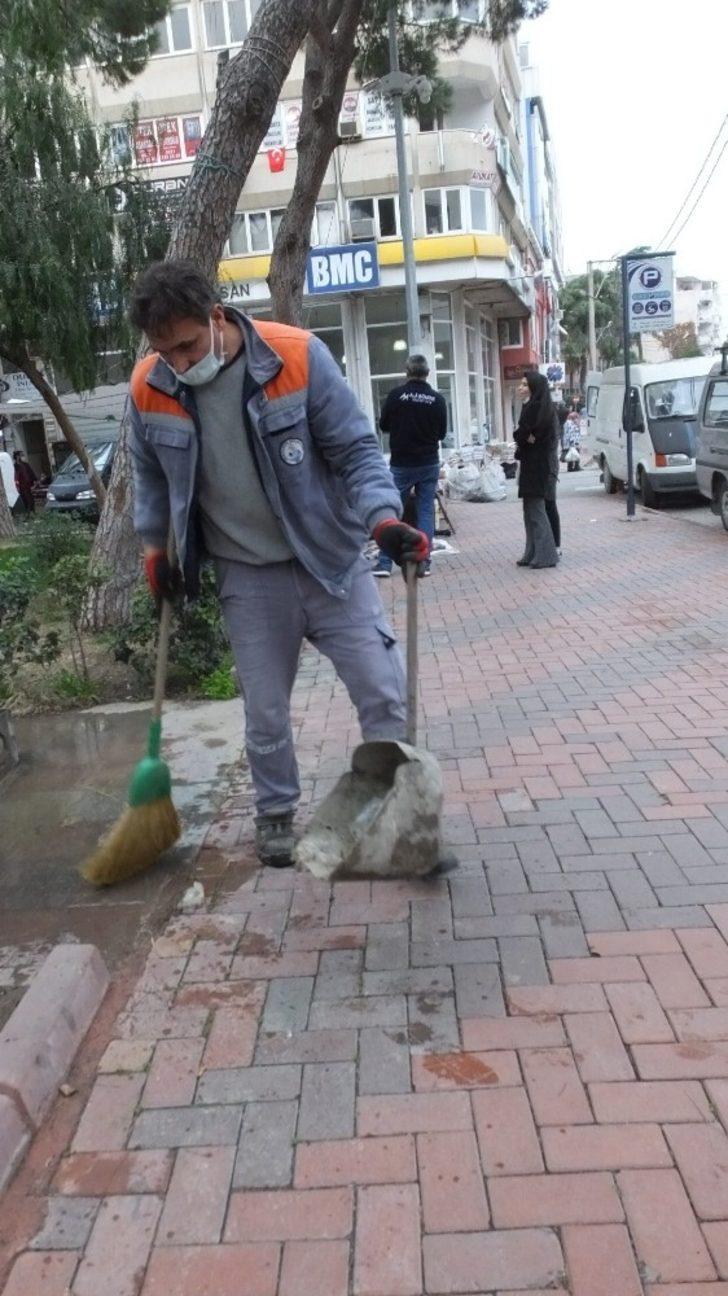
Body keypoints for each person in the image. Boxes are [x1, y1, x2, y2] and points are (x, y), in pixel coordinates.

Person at [127, 260, 429, 869]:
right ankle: (274, 814)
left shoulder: (296, 357)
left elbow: (356, 452)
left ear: (216, 317)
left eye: (188, 346)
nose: (179, 363)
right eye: (165, 352)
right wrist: (155, 550)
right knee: (265, 711)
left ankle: (393, 814)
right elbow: (150, 477)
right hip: (247, 574)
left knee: (384, 692)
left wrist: (383, 520)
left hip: (330, 563)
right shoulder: (148, 387)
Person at [373, 354, 448, 579]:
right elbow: (442, 433)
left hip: (402, 463)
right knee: (425, 511)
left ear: (407, 372)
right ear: (427, 373)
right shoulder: (437, 400)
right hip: (428, 462)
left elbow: (383, 425)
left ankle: (384, 563)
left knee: (393, 511)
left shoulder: (396, 396)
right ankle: (423, 562)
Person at [513, 371, 559, 569]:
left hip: (537, 466)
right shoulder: (534, 406)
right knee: (529, 511)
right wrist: (525, 437)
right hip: (532, 464)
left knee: (537, 510)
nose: (520, 388)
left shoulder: (537, 408)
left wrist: (525, 437)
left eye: (524, 384)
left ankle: (545, 554)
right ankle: (532, 552)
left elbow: (525, 435)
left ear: (533, 387)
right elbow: (524, 435)